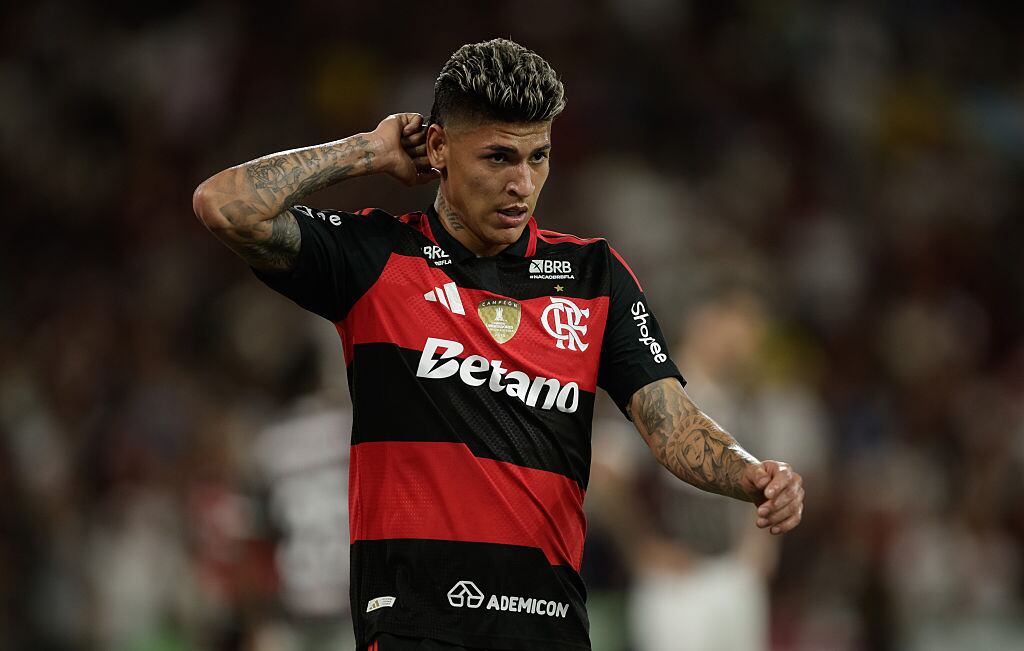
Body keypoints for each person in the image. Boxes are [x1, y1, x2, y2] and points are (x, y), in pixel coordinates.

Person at [192, 38, 804, 651]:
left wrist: (752, 474)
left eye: (538, 157)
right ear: (438, 148)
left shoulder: (595, 278)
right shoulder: (375, 258)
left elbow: (672, 425)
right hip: (416, 629)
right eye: (498, 157)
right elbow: (224, 206)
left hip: (549, 630)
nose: (522, 183)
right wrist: (369, 151)